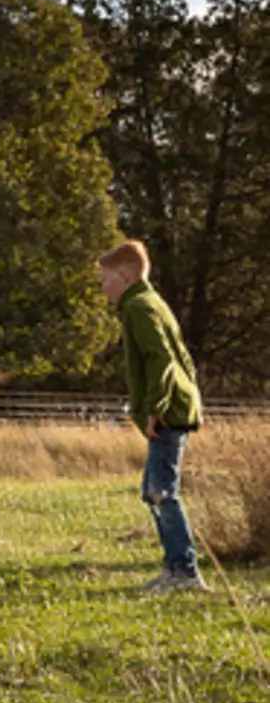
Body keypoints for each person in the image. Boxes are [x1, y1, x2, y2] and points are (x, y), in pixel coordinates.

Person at [98, 240, 208, 594]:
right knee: (152, 491)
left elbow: (160, 359)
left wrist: (156, 408)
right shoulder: (151, 302)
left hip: (167, 411)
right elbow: (182, 358)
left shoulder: (138, 307)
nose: (103, 289)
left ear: (126, 275)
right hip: (176, 405)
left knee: (162, 492)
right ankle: (174, 568)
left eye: (106, 280)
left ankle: (184, 571)